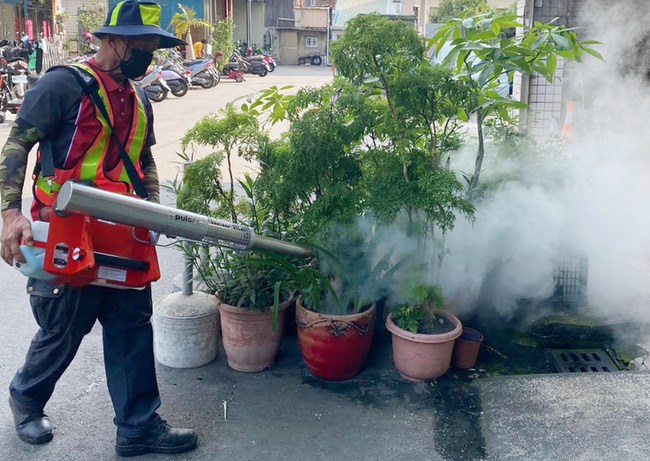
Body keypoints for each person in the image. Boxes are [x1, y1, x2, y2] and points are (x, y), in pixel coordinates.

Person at [0, 0, 198, 457]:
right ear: (113, 40)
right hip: (69, 232)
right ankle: (26, 399)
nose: (150, 52)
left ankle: (138, 428)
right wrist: (12, 212)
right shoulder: (62, 85)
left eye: (154, 44)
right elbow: (17, 144)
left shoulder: (141, 95)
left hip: (124, 234)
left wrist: (152, 208)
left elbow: (143, 157)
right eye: (143, 43)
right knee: (65, 328)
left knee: (132, 327)